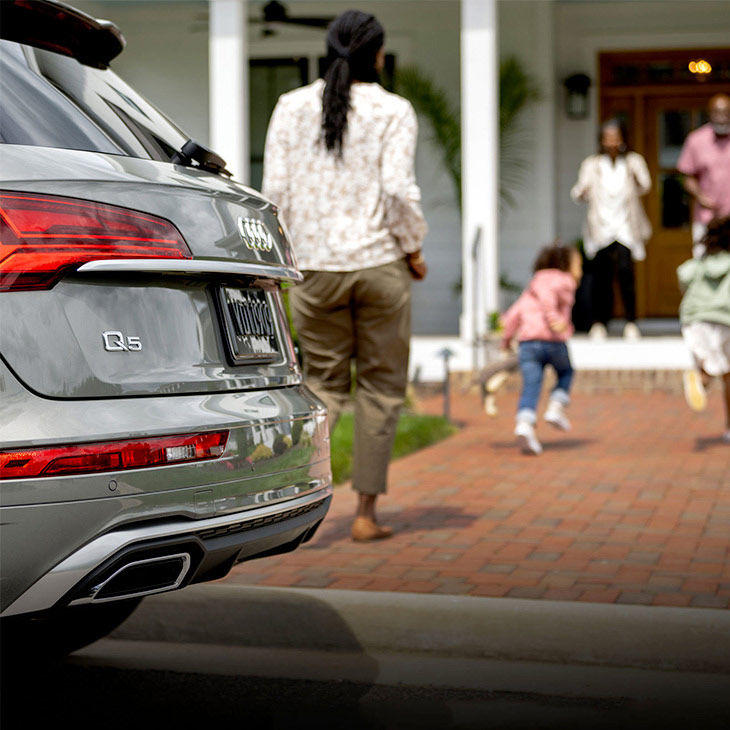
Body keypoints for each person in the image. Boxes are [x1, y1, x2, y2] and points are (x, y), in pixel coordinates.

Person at [262, 10, 427, 541]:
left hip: (314, 269)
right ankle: (365, 516)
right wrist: (413, 247)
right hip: (380, 265)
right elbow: (399, 190)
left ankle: (295, 509)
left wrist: (280, 260)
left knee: (324, 388)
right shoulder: (394, 110)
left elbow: (275, 194)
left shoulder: (290, 108)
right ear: (377, 56)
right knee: (381, 389)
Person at [571, 119, 651, 340]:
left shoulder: (633, 161)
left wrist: (635, 177)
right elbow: (579, 192)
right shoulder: (593, 164)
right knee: (601, 277)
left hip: (626, 225)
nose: (612, 141)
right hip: (601, 227)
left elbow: (646, 186)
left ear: (623, 138)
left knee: (626, 273)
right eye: (608, 137)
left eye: (616, 137)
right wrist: (582, 191)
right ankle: (599, 322)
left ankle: (631, 322)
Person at [500, 243, 583, 455]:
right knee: (566, 372)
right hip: (553, 341)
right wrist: (554, 319)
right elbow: (550, 302)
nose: (580, 271)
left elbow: (513, 315)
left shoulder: (531, 288)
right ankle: (556, 406)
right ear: (565, 265)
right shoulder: (563, 281)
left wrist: (506, 340)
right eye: (578, 265)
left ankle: (525, 425)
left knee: (531, 385)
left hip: (528, 344)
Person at [678, 217, 730, 443]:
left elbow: (683, 274)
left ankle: (701, 377)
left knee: (707, 364)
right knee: (728, 375)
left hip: (696, 319)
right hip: (725, 319)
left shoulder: (700, 263)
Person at [677, 93, 730, 258]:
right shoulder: (696, 140)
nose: (721, 117)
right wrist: (700, 196)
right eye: (717, 112)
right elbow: (687, 176)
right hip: (707, 218)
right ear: (709, 113)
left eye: (725, 112)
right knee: (702, 265)